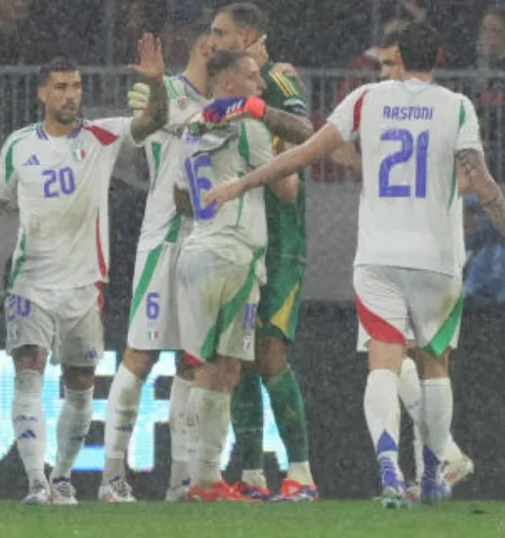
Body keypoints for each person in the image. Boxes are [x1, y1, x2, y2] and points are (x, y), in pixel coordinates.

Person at [200, 22, 505, 507]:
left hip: (379, 257)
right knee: (434, 366)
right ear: (441, 57)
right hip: (437, 259)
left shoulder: (366, 100)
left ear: (399, 55)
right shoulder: (458, 107)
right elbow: (483, 184)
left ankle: (388, 470)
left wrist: (239, 183)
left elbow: (304, 150)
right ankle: (430, 473)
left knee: (382, 363)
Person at [0, 35, 169, 505]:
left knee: (81, 385)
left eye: (77, 86)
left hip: (84, 286)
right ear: (42, 94)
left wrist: (157, 81)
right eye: (61, 87)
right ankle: (36, 484)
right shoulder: (20, 146)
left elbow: (155, 119)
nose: (71, 95)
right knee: (28, 371)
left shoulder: (102, 136)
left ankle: (62, 477)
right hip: (31, 281)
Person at [203, 1, 319, 502]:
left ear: (248, 35)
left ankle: (302, 474)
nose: (212, 40)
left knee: (270, 353)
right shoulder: (219, 93)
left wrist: (259, 108)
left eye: (220, 32)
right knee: (240, 355)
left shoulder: (277, 78)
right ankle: (251, 474)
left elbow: (305, 136)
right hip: (243, 238)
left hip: (282, 240)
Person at [353, 30, 475, 502]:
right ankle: (438, 463)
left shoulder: (427, 109)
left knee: (411, 361)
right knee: (404, 363)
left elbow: (465, 175)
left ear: (404, 63)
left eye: (390, 64)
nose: (386, 72)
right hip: (407, 252)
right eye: (380, 66)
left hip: (411, 251)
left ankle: (439, 459)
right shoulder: (387, 111)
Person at [98, 24, 210, 504]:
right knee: (140, 357)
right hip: (163, 239)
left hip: (204, 245)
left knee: (191, 361)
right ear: (207, 45)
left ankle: (180, 481)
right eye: (222, 36)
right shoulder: (163, 93)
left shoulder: (226, 106)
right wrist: (158, 82)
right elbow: (149, 124)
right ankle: (111, 477)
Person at [170, 48, 277, 502]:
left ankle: (195, 477)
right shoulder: (247, 127)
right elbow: (287, 188)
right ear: (228, 84)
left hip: (196, 249)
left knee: (202, 364)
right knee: (226, 366)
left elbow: (181, 197)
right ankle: (206, 478)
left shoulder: (190, 128)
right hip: (233, 252)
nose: (261, 85)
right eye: (252, 77)